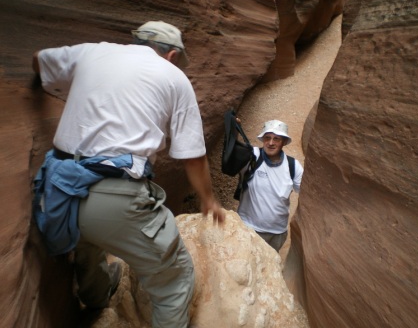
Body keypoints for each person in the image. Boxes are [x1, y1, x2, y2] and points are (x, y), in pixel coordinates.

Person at [32, 20, 225, 328]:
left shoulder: (91, 52)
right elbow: (192, 157)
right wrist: (208, 200)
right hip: (115, 197)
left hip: (57, 190)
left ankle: (96, 298)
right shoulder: (173, 77)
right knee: (174, 278)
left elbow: (39, 60)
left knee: (87, 238)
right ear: (172, 55)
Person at [236, 120, 303, 252]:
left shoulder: (293, 166)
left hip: (277, 233)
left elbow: (307, 194)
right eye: (267, 138)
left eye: (276, 139)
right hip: (249, 229)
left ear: (283, 142)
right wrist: (233, 129)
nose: (271, 143)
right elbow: (232, 154)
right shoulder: (253, 156)